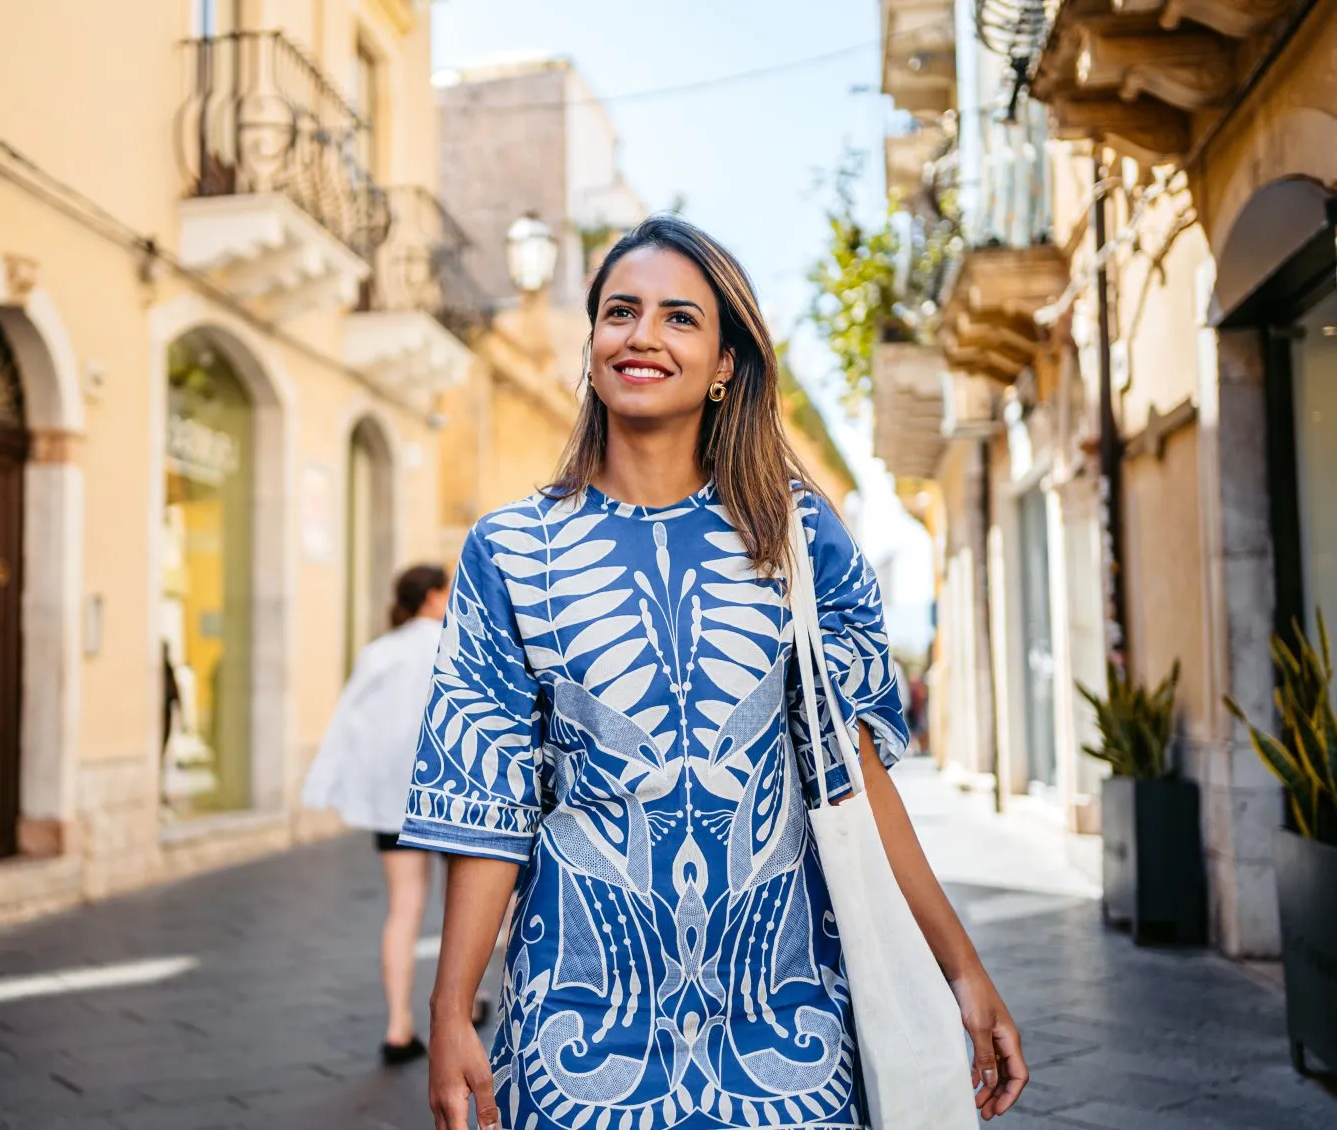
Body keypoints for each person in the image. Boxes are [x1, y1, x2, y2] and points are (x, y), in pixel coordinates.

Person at [399, 216, 1027, 1129]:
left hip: (788, 1016)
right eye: (620, 311)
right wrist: (451, 1009)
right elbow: (489, 799)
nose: (642, 335)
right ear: (591, 345)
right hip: (578, 1019)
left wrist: (961, 967)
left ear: (726, 362)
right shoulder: (511, 550)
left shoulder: (800, 541)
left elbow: (854, 778)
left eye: (679, 318)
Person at [302, 564, 459, 1066]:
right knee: (467, 911)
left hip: (394, 802)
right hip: (456, 794)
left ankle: (397, 1027)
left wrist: (324, 786)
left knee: (404, 909)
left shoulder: (378, 651)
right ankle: (461, 1013)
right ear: (435, 597)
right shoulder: (455, 641)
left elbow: (347, 721)